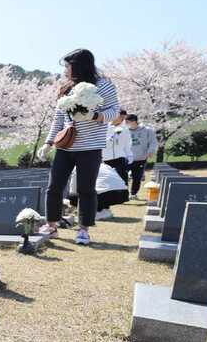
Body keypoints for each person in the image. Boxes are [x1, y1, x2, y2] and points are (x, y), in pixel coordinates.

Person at [37, 49, 120, 245]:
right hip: (65, 147)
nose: (65, 70)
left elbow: (115, 112)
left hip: (90, 148)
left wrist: (93, 116)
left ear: (80, 65)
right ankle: (51, 225)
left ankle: (84, 229)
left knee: (86, 189)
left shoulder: (104, 86)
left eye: (68, 66)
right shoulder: (67, 89)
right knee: (54, 186)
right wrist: (48, 143)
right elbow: (58, 119)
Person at [126, 114, 158, 199]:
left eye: (127, 122)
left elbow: (153, 141)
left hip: (140, 158)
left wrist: (150, 151)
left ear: (134, 122)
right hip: (126, 158)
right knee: (123, 176)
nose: (125, 124)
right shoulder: (124, 130)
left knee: (137, 177)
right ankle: (124, 193)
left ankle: (134, 193)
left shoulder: (146, 130)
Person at [102, 110, 133, 184]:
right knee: (106, 176)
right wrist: (110, 139)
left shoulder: (124, 129)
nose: (122, 119)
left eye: (124, 117)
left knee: (123, 174)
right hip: (106, 156)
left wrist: (129, 155)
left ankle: (124, 192)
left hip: (120, 155)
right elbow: (99, 142)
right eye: (121, 116)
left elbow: (127, 143)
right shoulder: (105, 128)